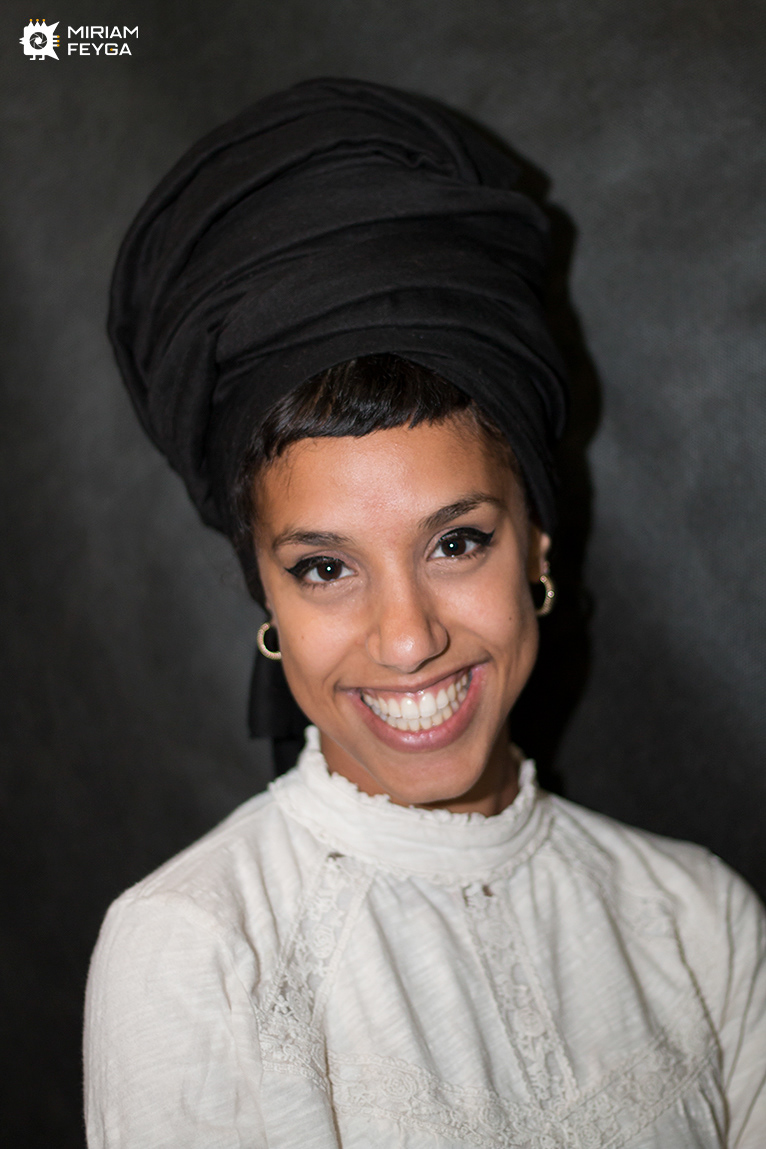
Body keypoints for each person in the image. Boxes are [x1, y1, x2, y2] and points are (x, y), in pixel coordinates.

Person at [84, 78, 766, 1147]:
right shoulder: (200, 947)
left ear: (537, 543)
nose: (407, 639)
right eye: (324, 567)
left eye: (456, 542)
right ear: (264, 592)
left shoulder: (700, 923)